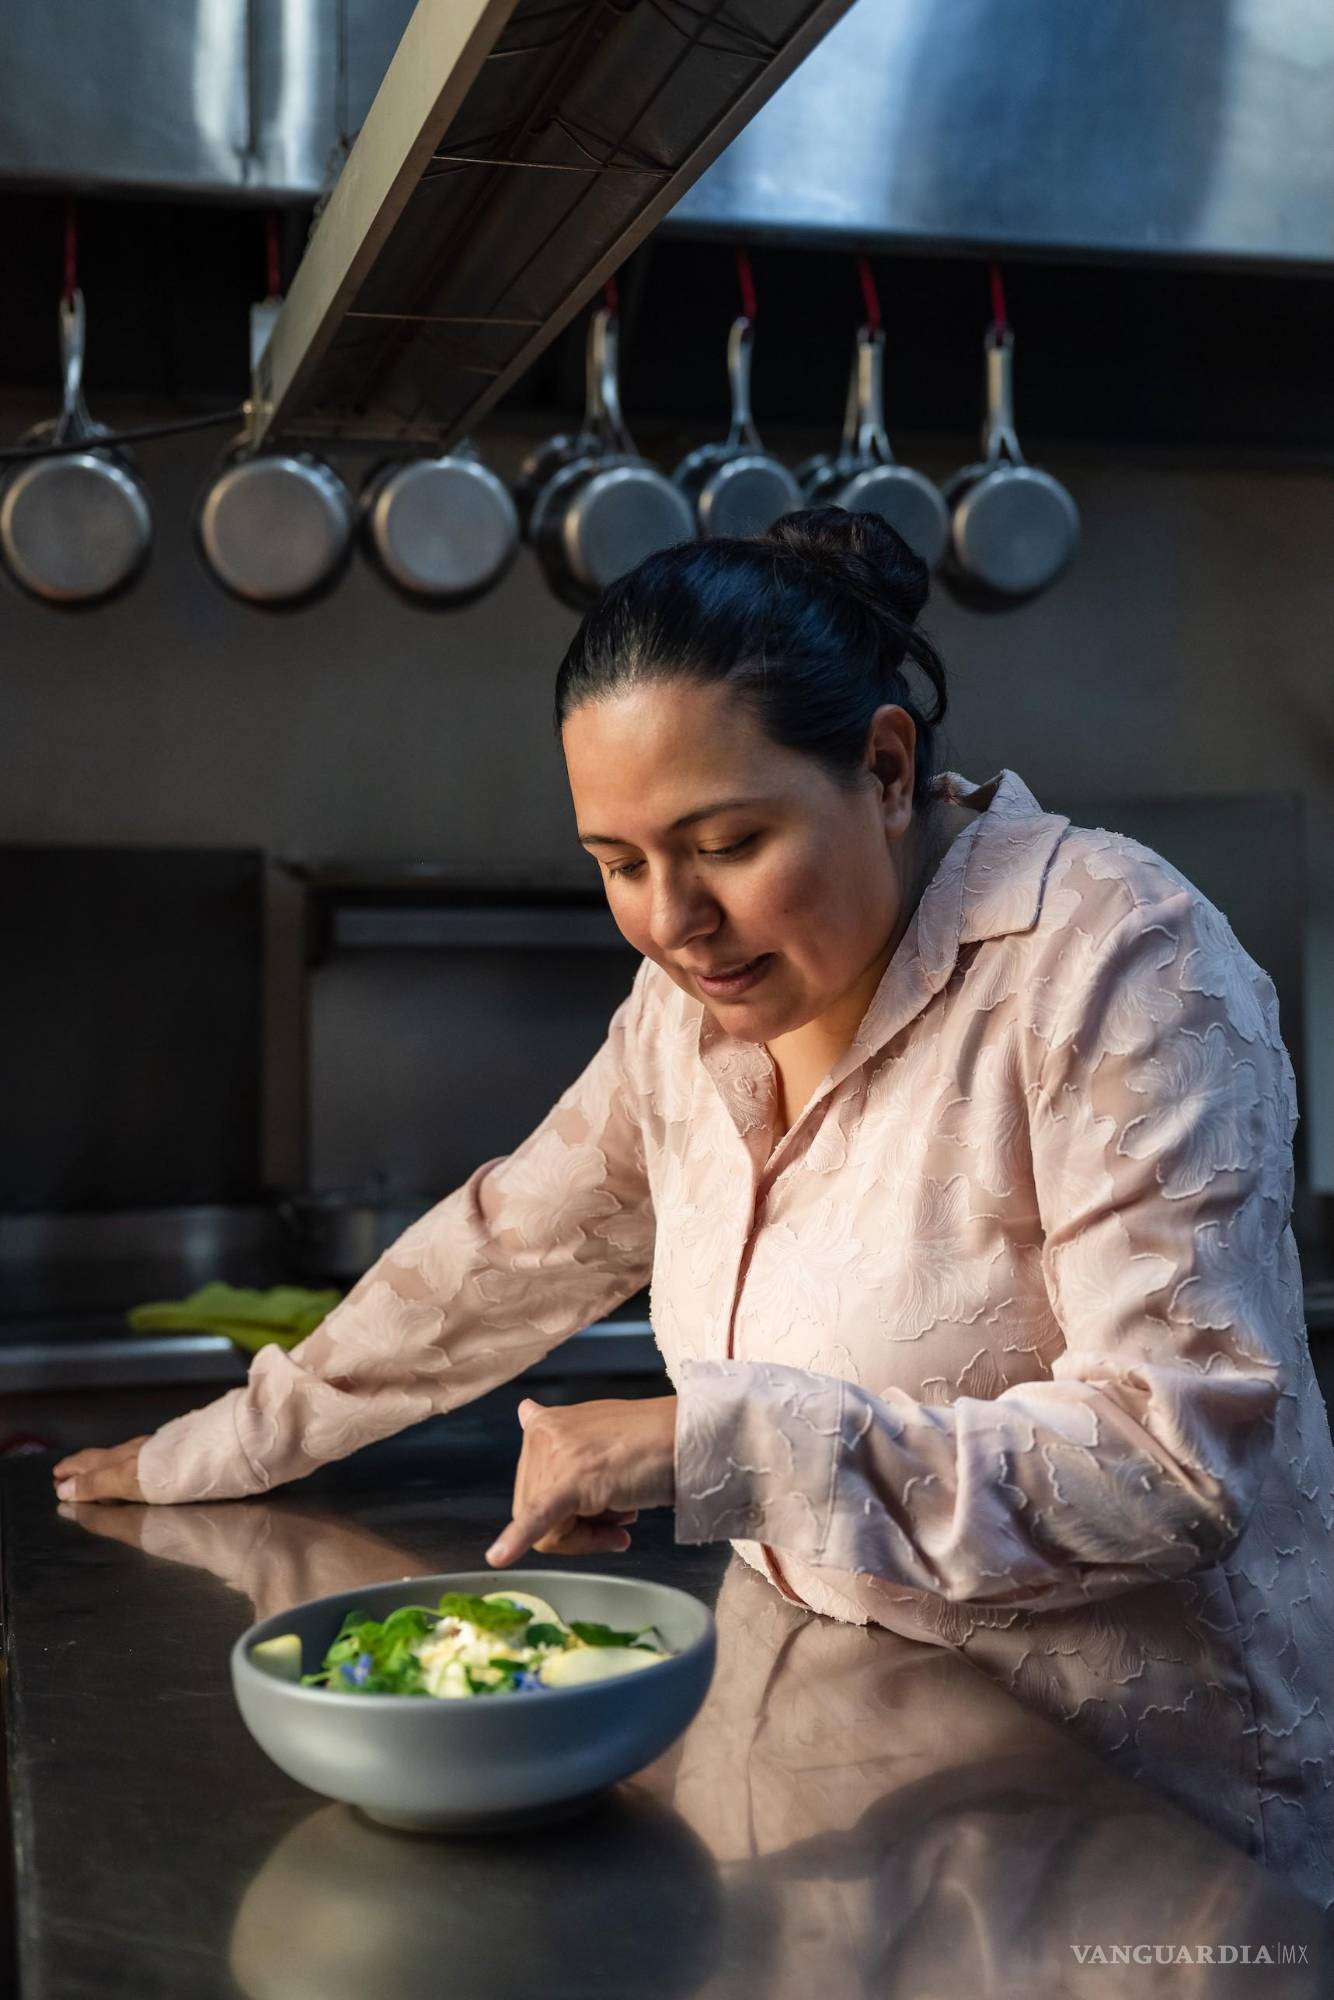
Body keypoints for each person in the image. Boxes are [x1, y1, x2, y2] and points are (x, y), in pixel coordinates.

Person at [54, 508, 1334, 1906]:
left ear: (887, 767)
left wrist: (706, 1443)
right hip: (841, 1768)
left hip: (1147, 1833)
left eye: (724, 841)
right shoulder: (688, 1016)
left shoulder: (1111, 962)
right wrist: (222, 1445)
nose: (670, 920)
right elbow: (508, 1249)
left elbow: (1173, 1464)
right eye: (617, 863)